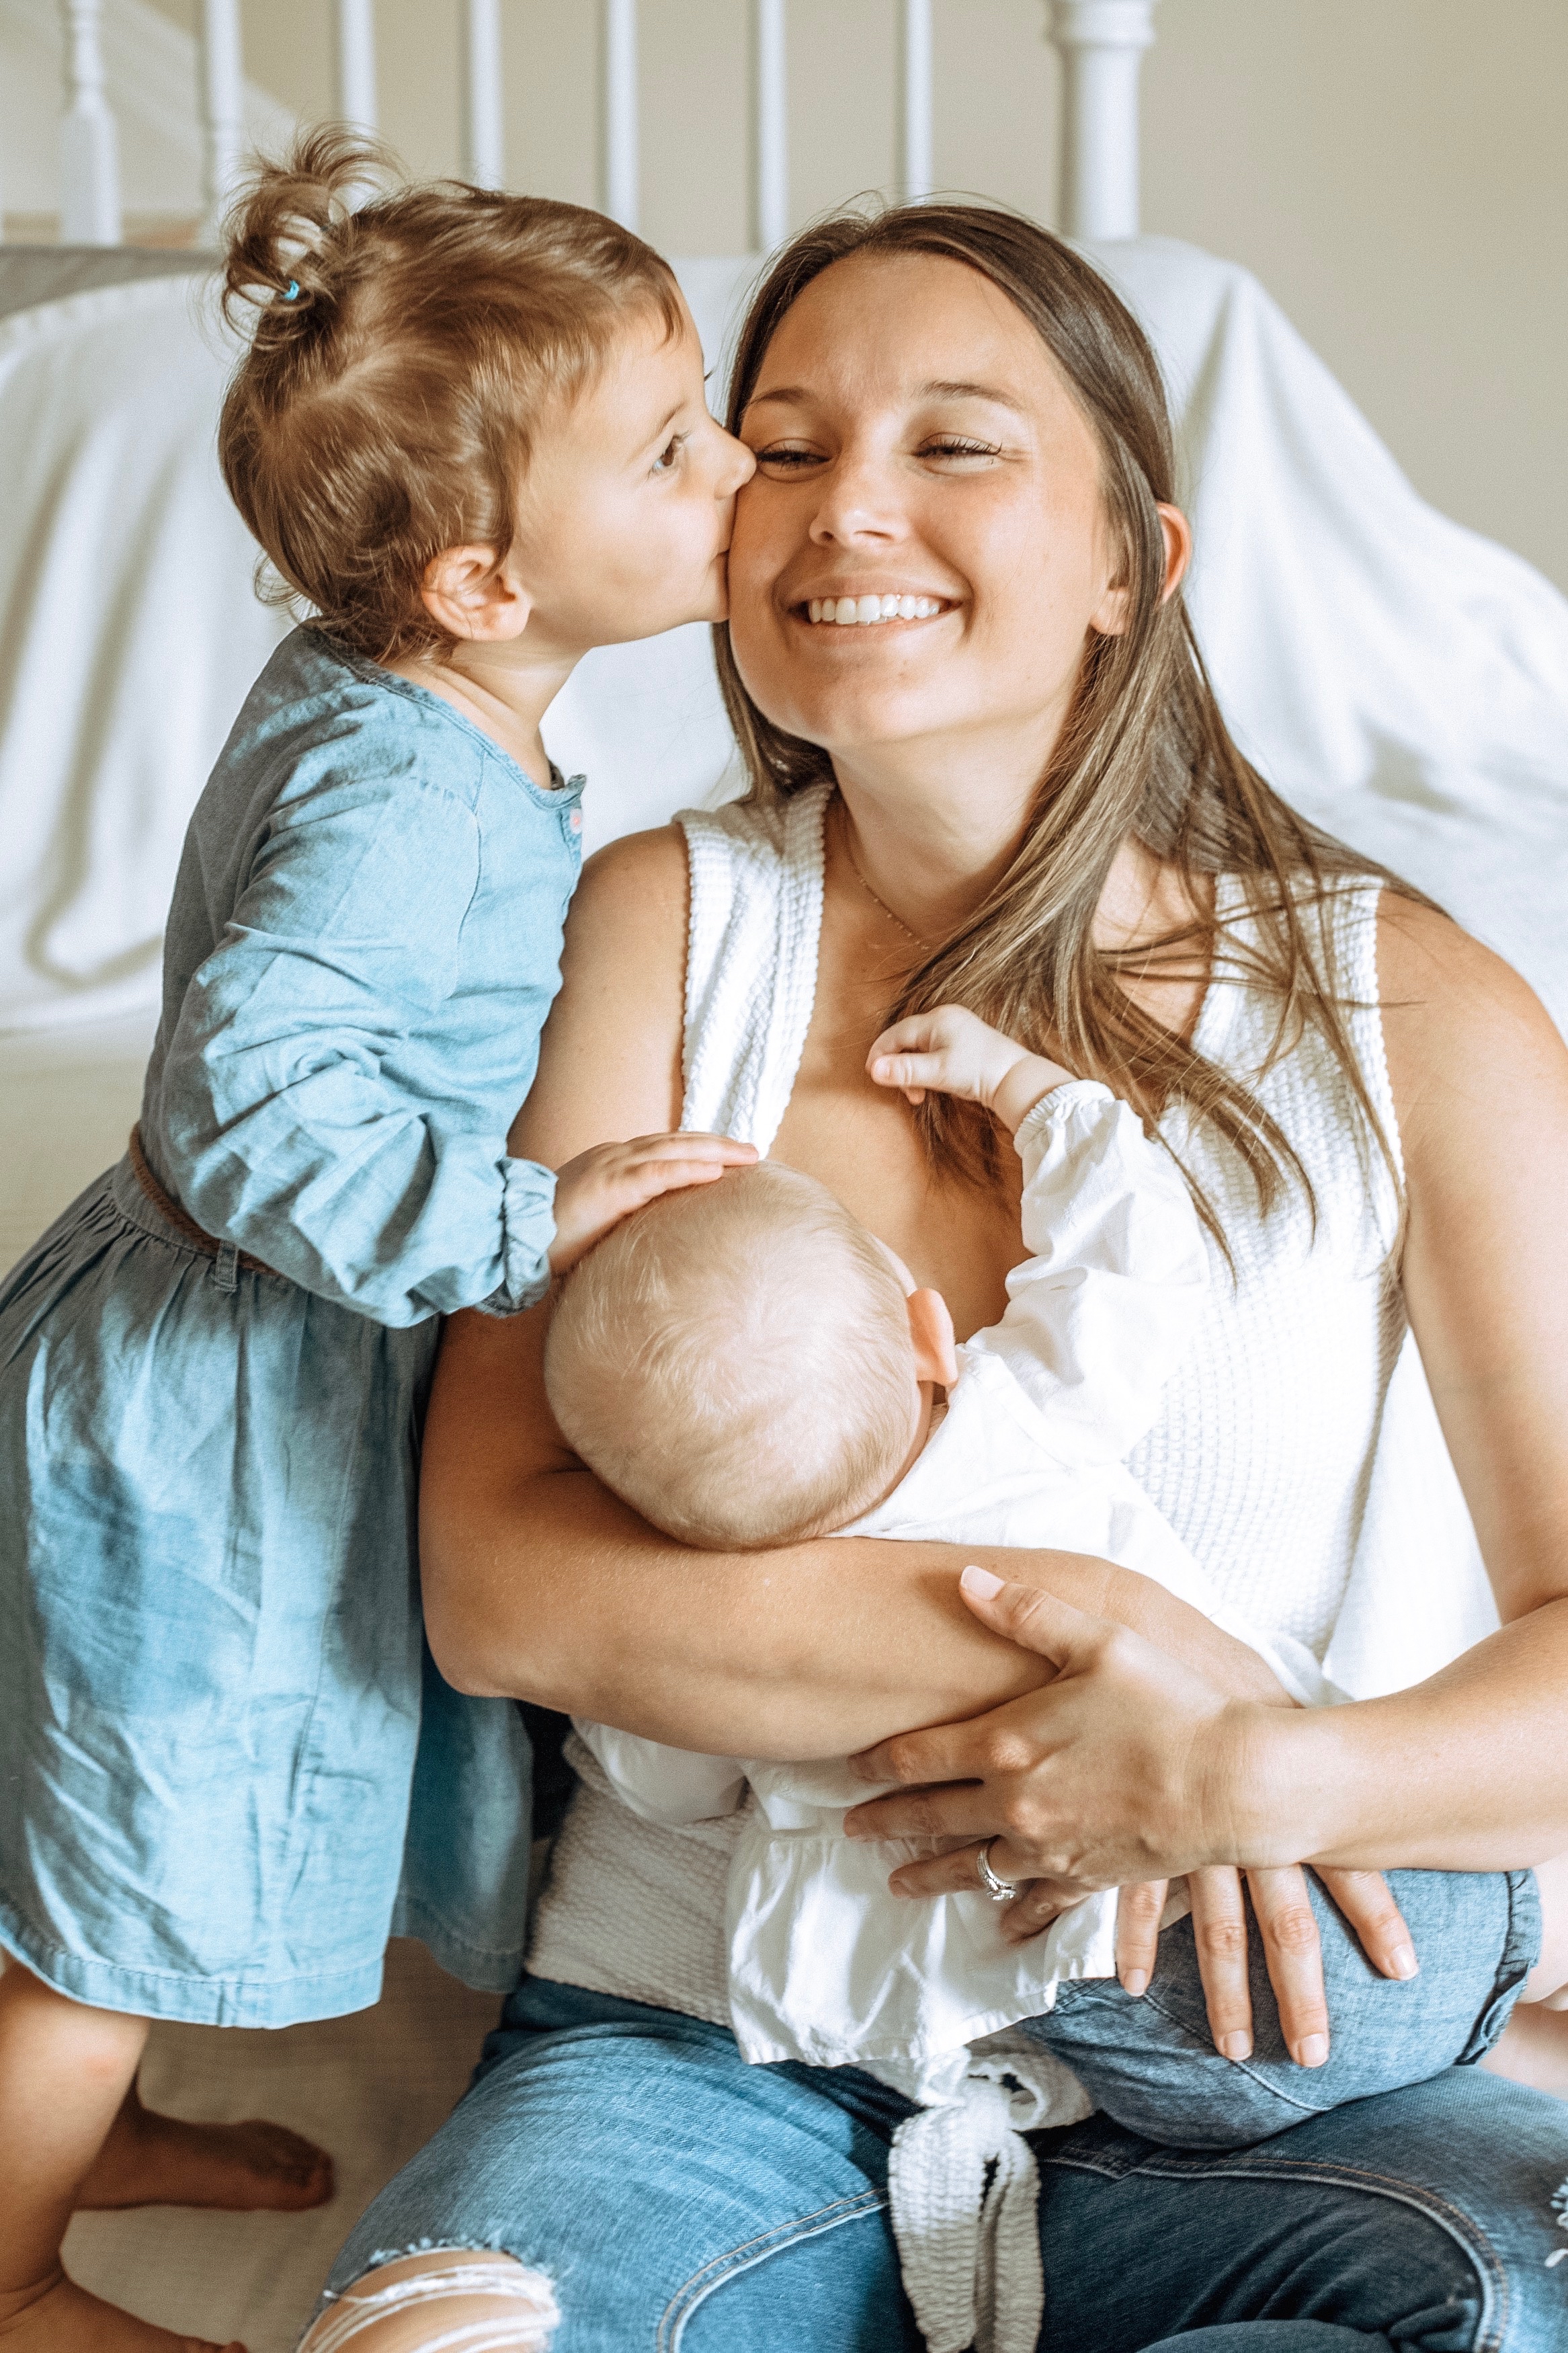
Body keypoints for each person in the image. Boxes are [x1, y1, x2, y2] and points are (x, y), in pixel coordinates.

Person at [306, 202, 1568, 2352]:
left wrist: (1247, 1772)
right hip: (705, 2038)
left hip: (1252, 2081)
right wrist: (1090, 1636)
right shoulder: (653, 927)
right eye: (783, 446)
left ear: (1130, 563)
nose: (844, 508)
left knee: (1502, 2295)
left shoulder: (1405, 1010)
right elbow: (502, 1581)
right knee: (447, 2329)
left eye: (953, 443)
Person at [0, 131, 754, 2353]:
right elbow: (243, 1093)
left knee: (131, 1817)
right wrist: (524, 1214)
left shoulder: (409, 700)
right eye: (671, 448)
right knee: (130, 1867)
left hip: (210, 1349)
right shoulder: (402, 787)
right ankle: (13, 2270)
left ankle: (92, 2128)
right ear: (485, 583)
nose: (732, 468)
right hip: (219, 1407)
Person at [551, 1000, 1567, 2352]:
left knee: (1364, 2009)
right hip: (1302, 1923)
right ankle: (1512, 2017)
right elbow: (1129, 1260)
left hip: (1090, 2011)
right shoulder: (1014, 1414)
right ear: (929, 1334)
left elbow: (662, 1781)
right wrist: (1039, 1098)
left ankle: (1498, 2030)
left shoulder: (733, 1651)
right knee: (1475, 1916)